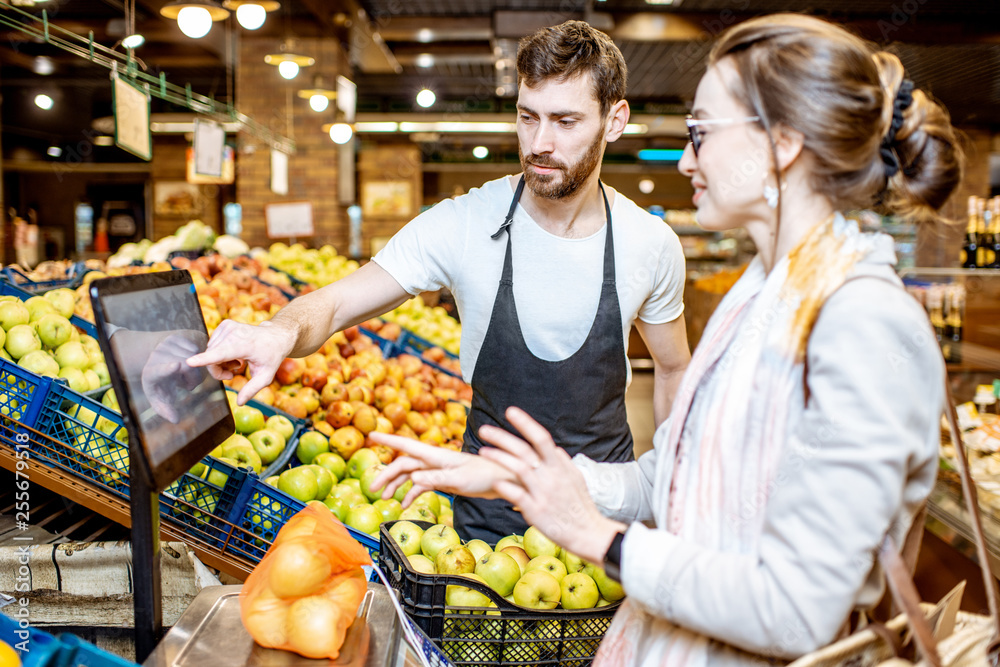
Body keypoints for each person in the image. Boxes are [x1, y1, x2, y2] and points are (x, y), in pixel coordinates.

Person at [369, 13, 962, 666]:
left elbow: (797, 608)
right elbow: (678, 476)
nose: (684, 159)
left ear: (783, 143)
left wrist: (602, 540)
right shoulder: (765, 294)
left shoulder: (862, 322)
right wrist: (513, 477)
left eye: (701, 133)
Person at [188, 20, 691, 543]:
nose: (540, 143)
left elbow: (674, 368)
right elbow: (338, 303)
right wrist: (279, 331)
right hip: (488, 526)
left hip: (604, 515)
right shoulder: (465, 223)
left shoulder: (648, 243)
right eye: (527, 117)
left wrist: (674, 499)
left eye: (566, 121)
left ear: (615, 120)